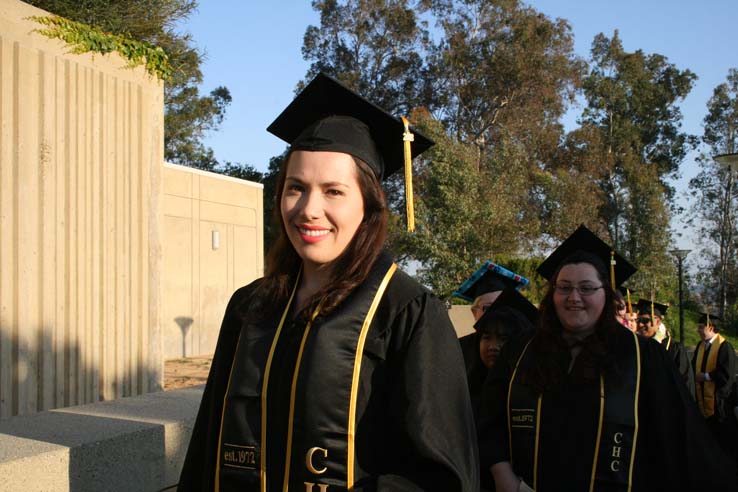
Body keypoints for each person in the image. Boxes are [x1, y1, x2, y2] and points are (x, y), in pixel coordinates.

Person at [178, 73, 479, 491]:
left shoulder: (408, 312)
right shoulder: (251, 306)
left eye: (333, 191)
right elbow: (207, 449)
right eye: (295, 188)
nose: (308, 209)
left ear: (368, 205)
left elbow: (441, 477)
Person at [478, 224, 735, 491]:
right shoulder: (520, 350)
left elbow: (680, 440)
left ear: (606, 295)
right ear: (552, 295)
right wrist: (502, 473)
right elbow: (490, 419)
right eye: (563, 287)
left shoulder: (643, 357)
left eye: (587, 288)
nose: (573, 298)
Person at [453, 262, 529, 372]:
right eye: (488, 308)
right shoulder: (457, 349)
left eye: (501, 306)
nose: (495, 313)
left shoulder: (521, 345)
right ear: (474, 312)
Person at [693, 312, 738, 466]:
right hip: (702, 406)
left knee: (722, 444)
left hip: (719, 408)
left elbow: (727, 375)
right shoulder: (700, 346)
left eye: (701, 327)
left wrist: (706, 376)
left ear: (710, 327)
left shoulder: (725, 347)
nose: (698, 330)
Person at [635, 299, 695, 397]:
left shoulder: (674, 349)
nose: (640, 325)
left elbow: (686, 385)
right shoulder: (637, 346)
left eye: (644, 321)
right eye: (639, 320)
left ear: (657, 322)